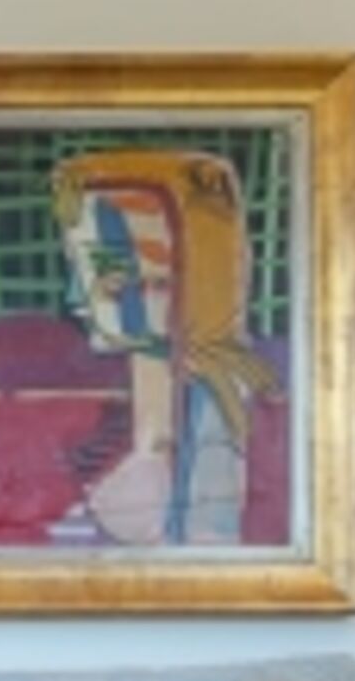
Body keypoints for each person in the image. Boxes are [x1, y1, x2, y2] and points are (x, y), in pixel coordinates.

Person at [51, 146, 277, 546]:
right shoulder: (143, 413)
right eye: (76, 268)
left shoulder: (213, 430)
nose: (76, 299)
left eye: (106, 273)